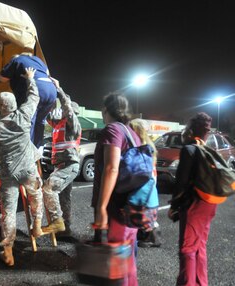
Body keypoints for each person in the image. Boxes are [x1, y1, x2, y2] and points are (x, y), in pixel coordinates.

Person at [0, 67, 44, 267]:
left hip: (8, 172)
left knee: (8, 212)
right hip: (28, 168)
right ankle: (36, 225)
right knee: (36, 194)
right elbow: (34, 97)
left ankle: (8, 252)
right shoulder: (23, 115)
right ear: (14, 104)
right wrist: (30, 79)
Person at [92, 92, 139, 286]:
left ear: (105, 110)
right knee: (127, 261)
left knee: (113, 266)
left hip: (115, 207)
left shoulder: (112, 130)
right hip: (131, 205)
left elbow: (111, 168)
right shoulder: (132, 133)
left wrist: (102, 207)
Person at [168, 112, 216, 286]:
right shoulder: (209, 151)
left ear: (191, 129)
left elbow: (180, 184)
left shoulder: (189, 150)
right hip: (209, 204)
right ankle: (200, 282)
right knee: (200, 246)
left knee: (187, 248)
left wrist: (174, 206)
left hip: (194, 206)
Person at [41, 81, 81, 236]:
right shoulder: (58, 124)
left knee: (48, 188)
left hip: (69, 165)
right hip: (62, 165)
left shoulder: (73, 124)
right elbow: (48, 113)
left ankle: (57, 222)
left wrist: (59, 90)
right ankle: (66, 228)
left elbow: (68, 109)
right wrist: (48, 96)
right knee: (64, 198)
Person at [0, 52, 57, 148]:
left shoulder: (16, 60)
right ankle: (37, 148)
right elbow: (47, 74)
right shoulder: (38, 60)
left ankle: (26, 149)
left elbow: (3, 78)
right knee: (40, 122)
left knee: (28, 120)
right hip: (52, 91)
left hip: (37, 89)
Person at [129, 118, 161, 248]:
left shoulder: (139, 146)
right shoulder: (149, 145)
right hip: (150, 185)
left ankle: (153, 239)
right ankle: (150, 236)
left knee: (145, 214)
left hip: (144, 186)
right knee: (148, 214)